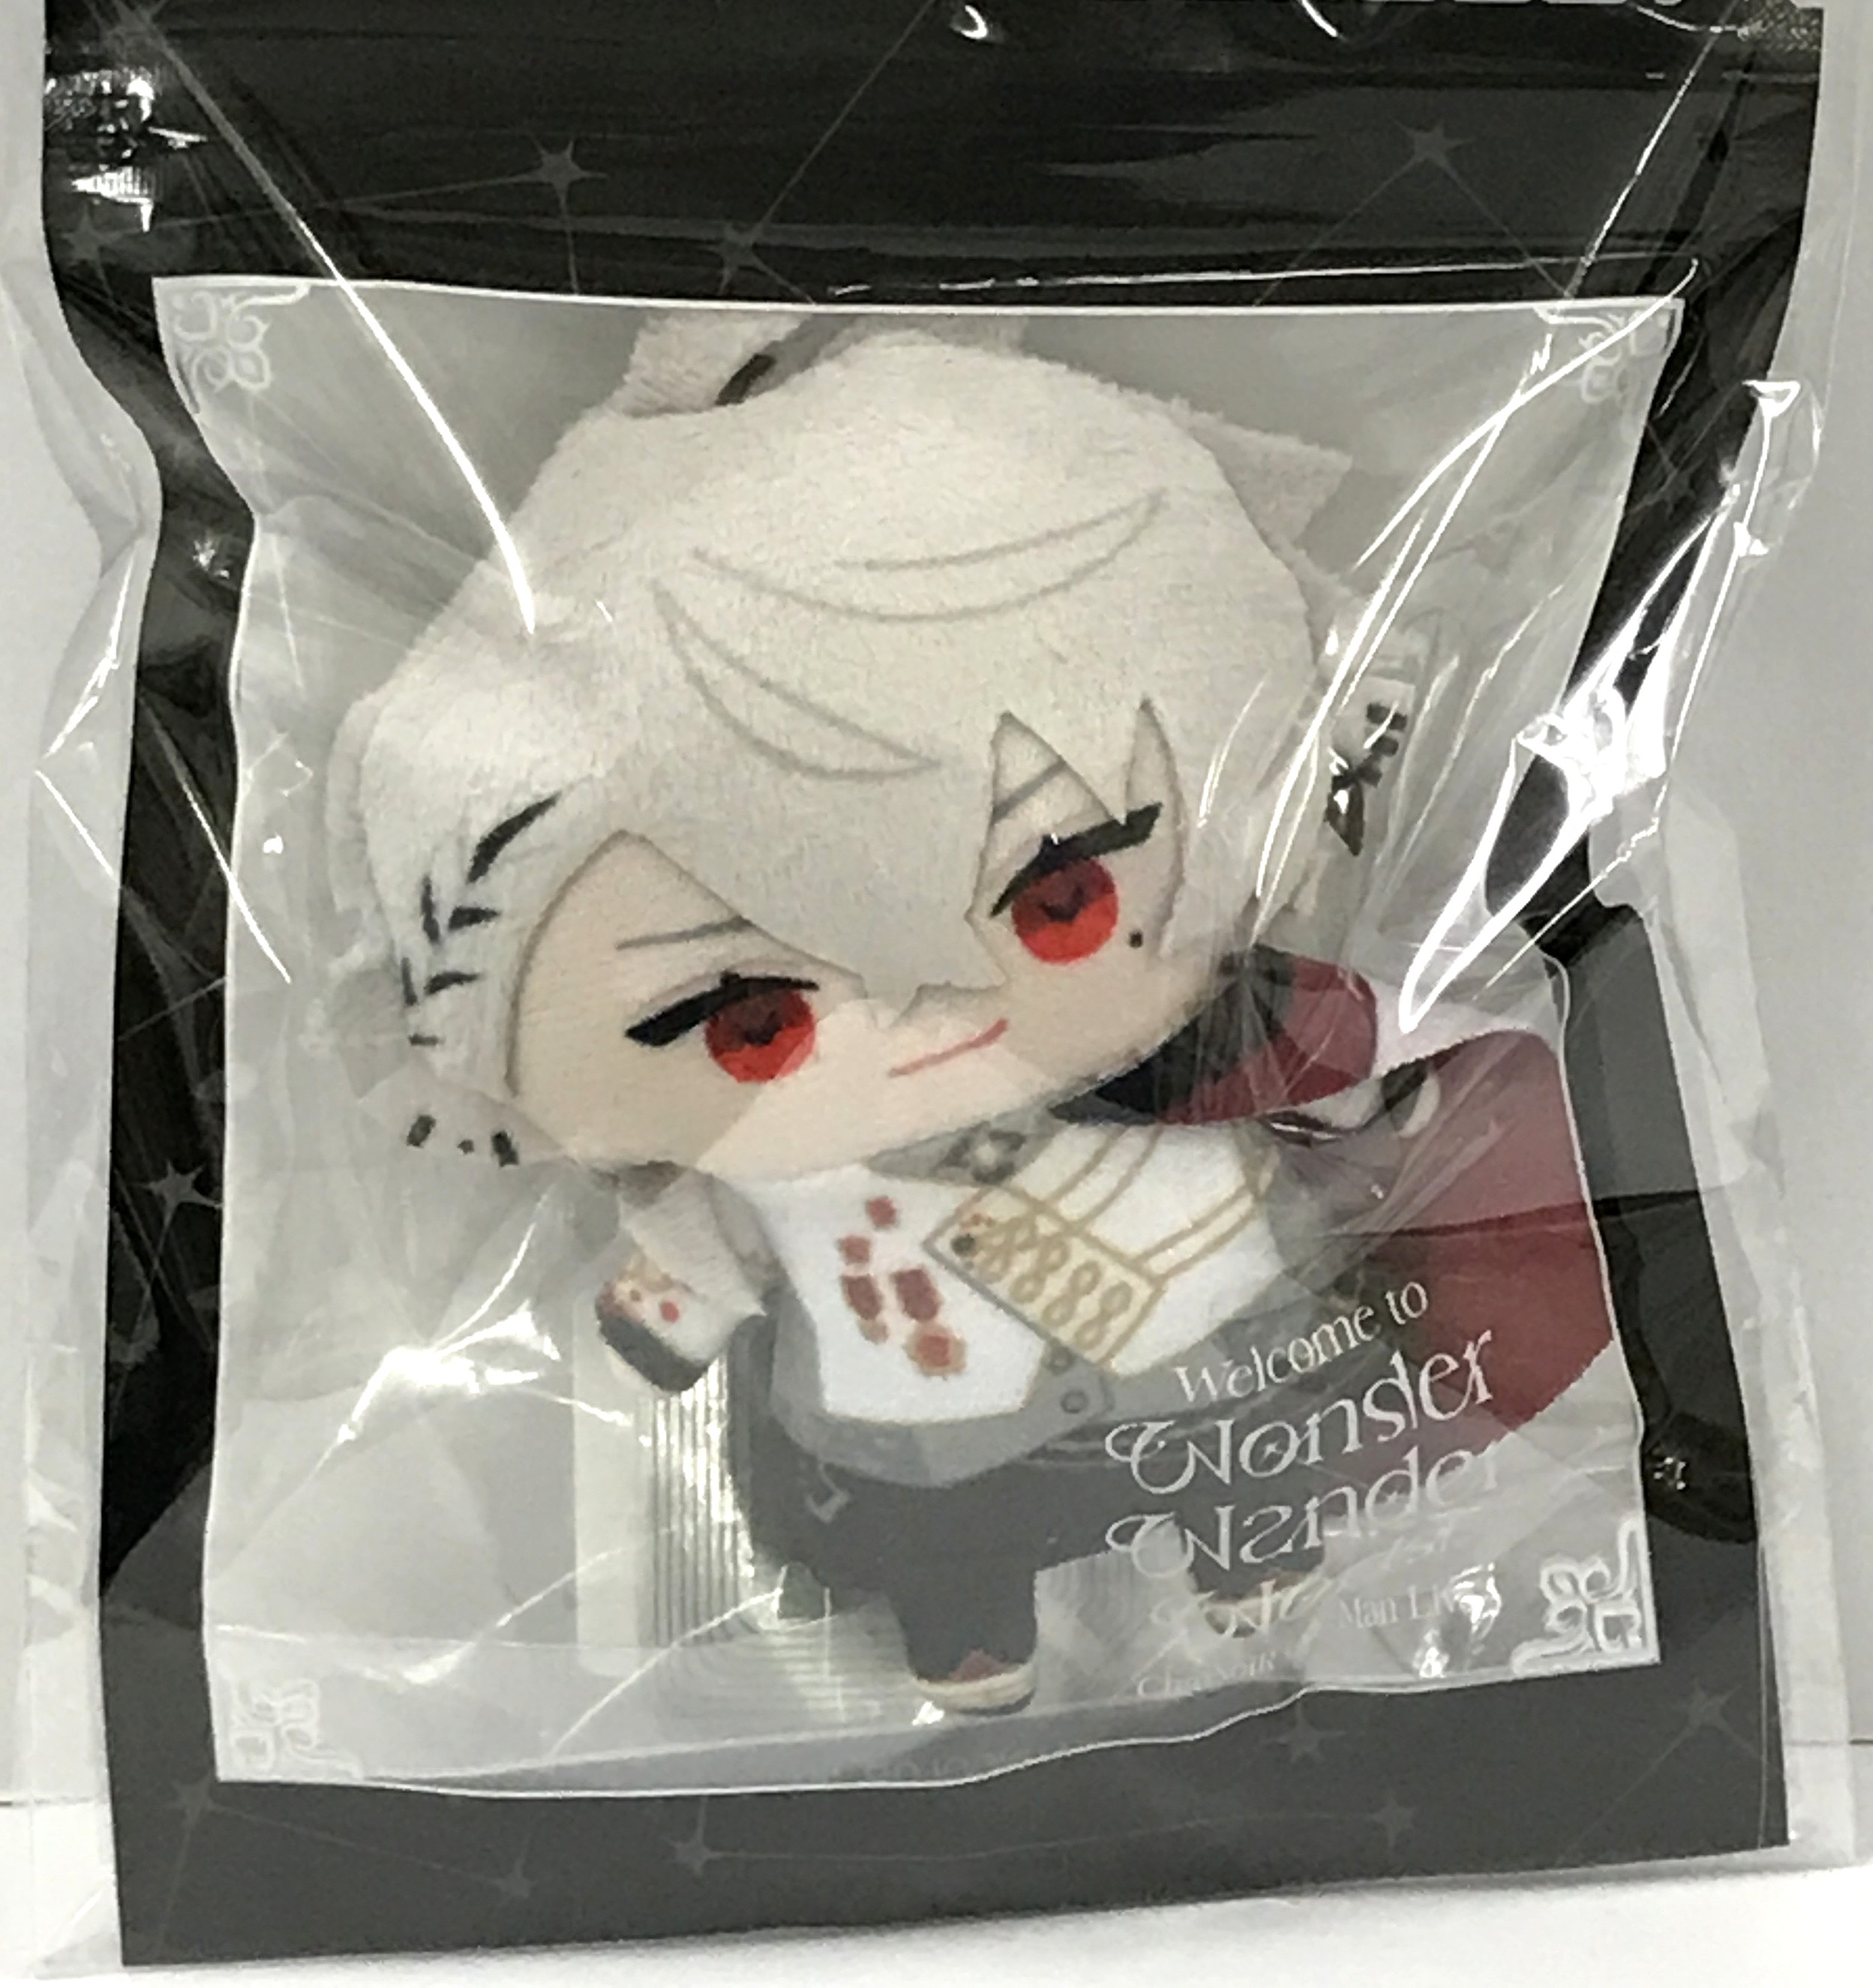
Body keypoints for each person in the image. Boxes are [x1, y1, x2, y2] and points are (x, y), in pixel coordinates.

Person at [331, 315, 1614, 1713]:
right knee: (949, 1549)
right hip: (921, 1416)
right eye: (754, 1024)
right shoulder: (758, 1174)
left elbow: (1328, 1068)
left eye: (1058, 901)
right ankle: (970, 1640)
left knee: (1246, 1465)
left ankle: (1250, 1558)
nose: (925, 1023)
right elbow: (697, 1249)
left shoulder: (1201, 1042)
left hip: (1200, 1352)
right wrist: (671, 1311)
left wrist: (1371, 1107)